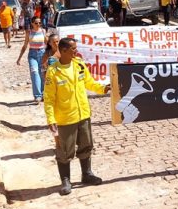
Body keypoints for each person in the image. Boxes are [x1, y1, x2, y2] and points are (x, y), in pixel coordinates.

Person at [44, 37, 110, 196]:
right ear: (64, 51)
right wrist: (51, 119)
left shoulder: (79, 64)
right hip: (65, 118)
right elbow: (49, 99)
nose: (76, 50)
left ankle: (86, 174)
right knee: (64, 151)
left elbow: (89, 82)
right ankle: (66, 180)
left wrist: (103, 89)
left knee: (86, 146)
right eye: (73, 48)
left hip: (83, 114)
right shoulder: (53, 72)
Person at [16, 18, 47, 102]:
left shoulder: (43, 31)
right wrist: (19, 58)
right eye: (36, 23)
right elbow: (25, 46)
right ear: (32, 23)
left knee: (42, 74)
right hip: (32, 55)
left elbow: (48, 44)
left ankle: (43, 93)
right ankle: (37, 95)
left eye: (40, 23)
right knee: (35, 73)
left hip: (42, 54)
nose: (38, 24)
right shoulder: (29, 32)